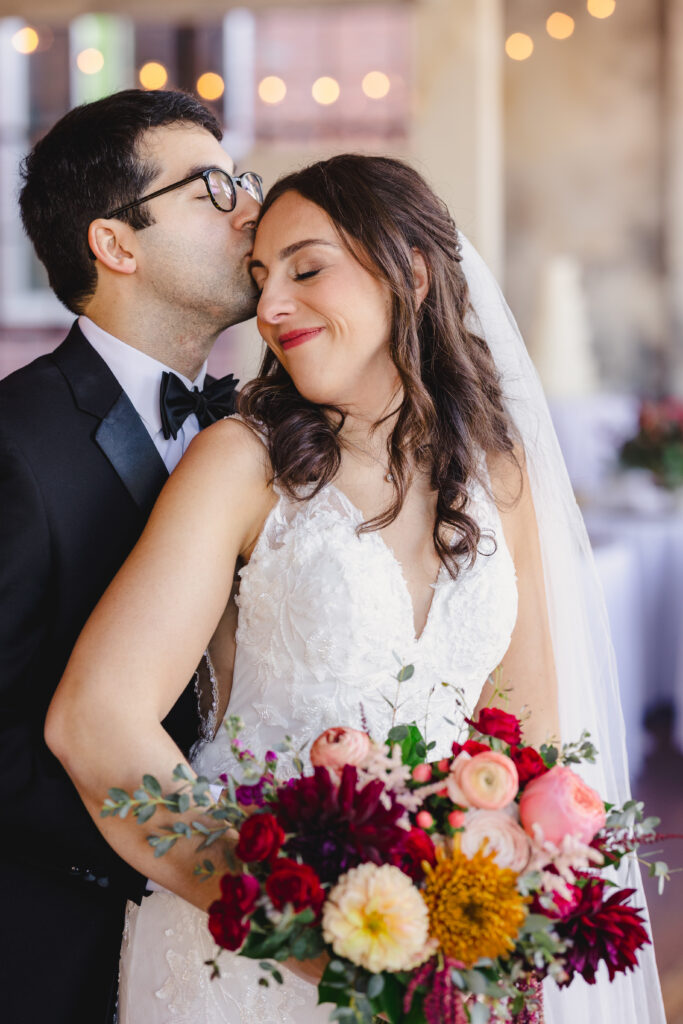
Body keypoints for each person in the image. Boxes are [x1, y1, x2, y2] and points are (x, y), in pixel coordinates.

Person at [47, 155, 665, 1024]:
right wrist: (297, 929)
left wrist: (498, 927)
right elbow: (95, 720)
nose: (269, 307)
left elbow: (532, 748)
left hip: (447, 965)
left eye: (306, 268)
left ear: (407, 269)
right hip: (246, 959)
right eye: (260, 278)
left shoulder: (503, 476)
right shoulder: (241, 460)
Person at [0, 88, 261, 1024]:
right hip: (60, 941)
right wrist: (177, 855)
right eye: (212, 190)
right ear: (116, 244)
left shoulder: (260, 429)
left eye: (244, 182)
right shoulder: (15, 442)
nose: (250, 210)